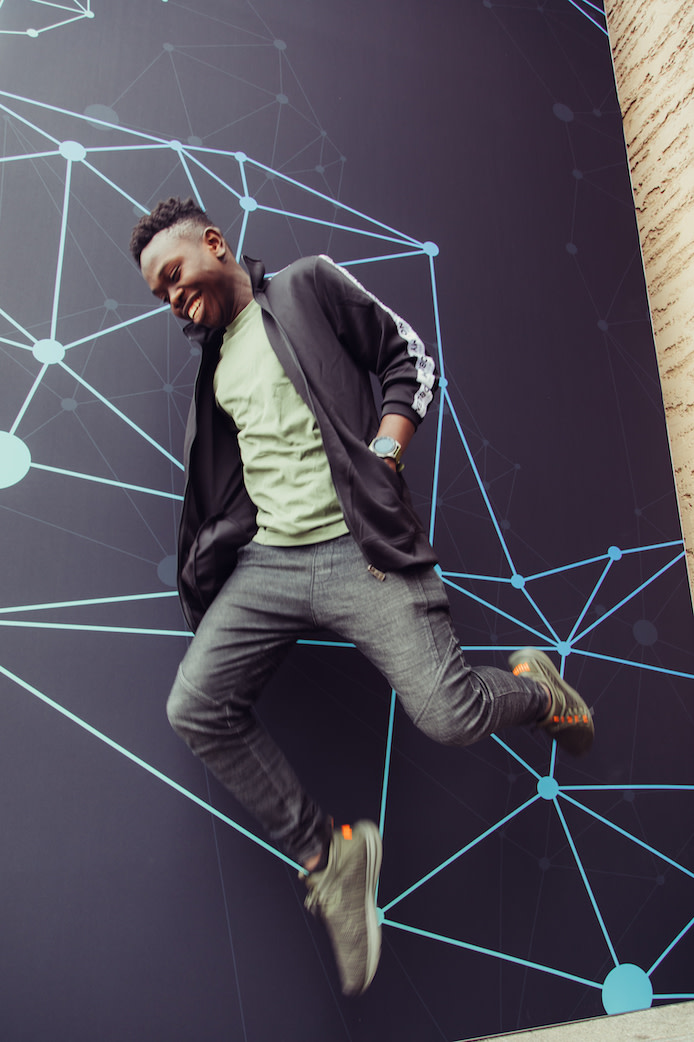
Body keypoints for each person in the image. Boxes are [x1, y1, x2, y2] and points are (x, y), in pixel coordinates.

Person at [129, 197, 594, 996]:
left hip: (359, 550)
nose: (172, 295)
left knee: (451, 716)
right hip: (271, 565)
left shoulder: (306, 285)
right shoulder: (213, 369)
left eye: (174, 273)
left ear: (214, 242)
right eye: (158, 293)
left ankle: (538, 691)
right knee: (195, 707)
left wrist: (384, 454)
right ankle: (329, 859)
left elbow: (409, 358)